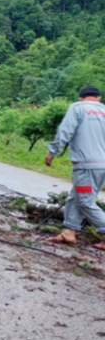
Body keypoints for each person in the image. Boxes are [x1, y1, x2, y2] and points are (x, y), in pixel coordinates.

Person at [46, 85, 105, 249]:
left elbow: (65, 130)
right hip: (102, 167)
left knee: (84, 201)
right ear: (98, 98)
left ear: (81, 98)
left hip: (87, 165)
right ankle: (69, 231)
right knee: (75, 197)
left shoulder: (78, 108)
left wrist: (52, 151)